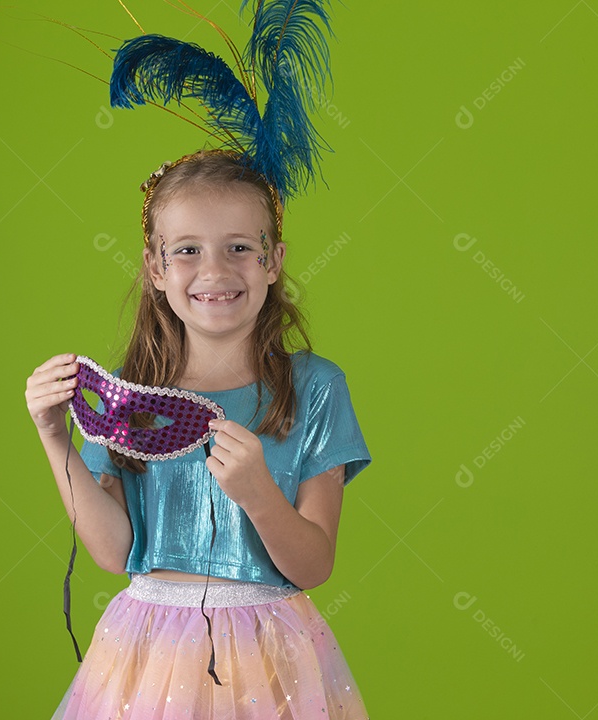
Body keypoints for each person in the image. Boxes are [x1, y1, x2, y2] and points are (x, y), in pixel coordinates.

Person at [25, 147, 372, 718]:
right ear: (155, 269)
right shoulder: (128, 396)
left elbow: (314, 566)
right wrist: (54, 436)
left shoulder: (315, 387)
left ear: (273, 260)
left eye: (239, 247)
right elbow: (114, 551)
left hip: (272, 653)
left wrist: (259, 492)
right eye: (187, 251)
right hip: (147, 650)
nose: (214, 271)